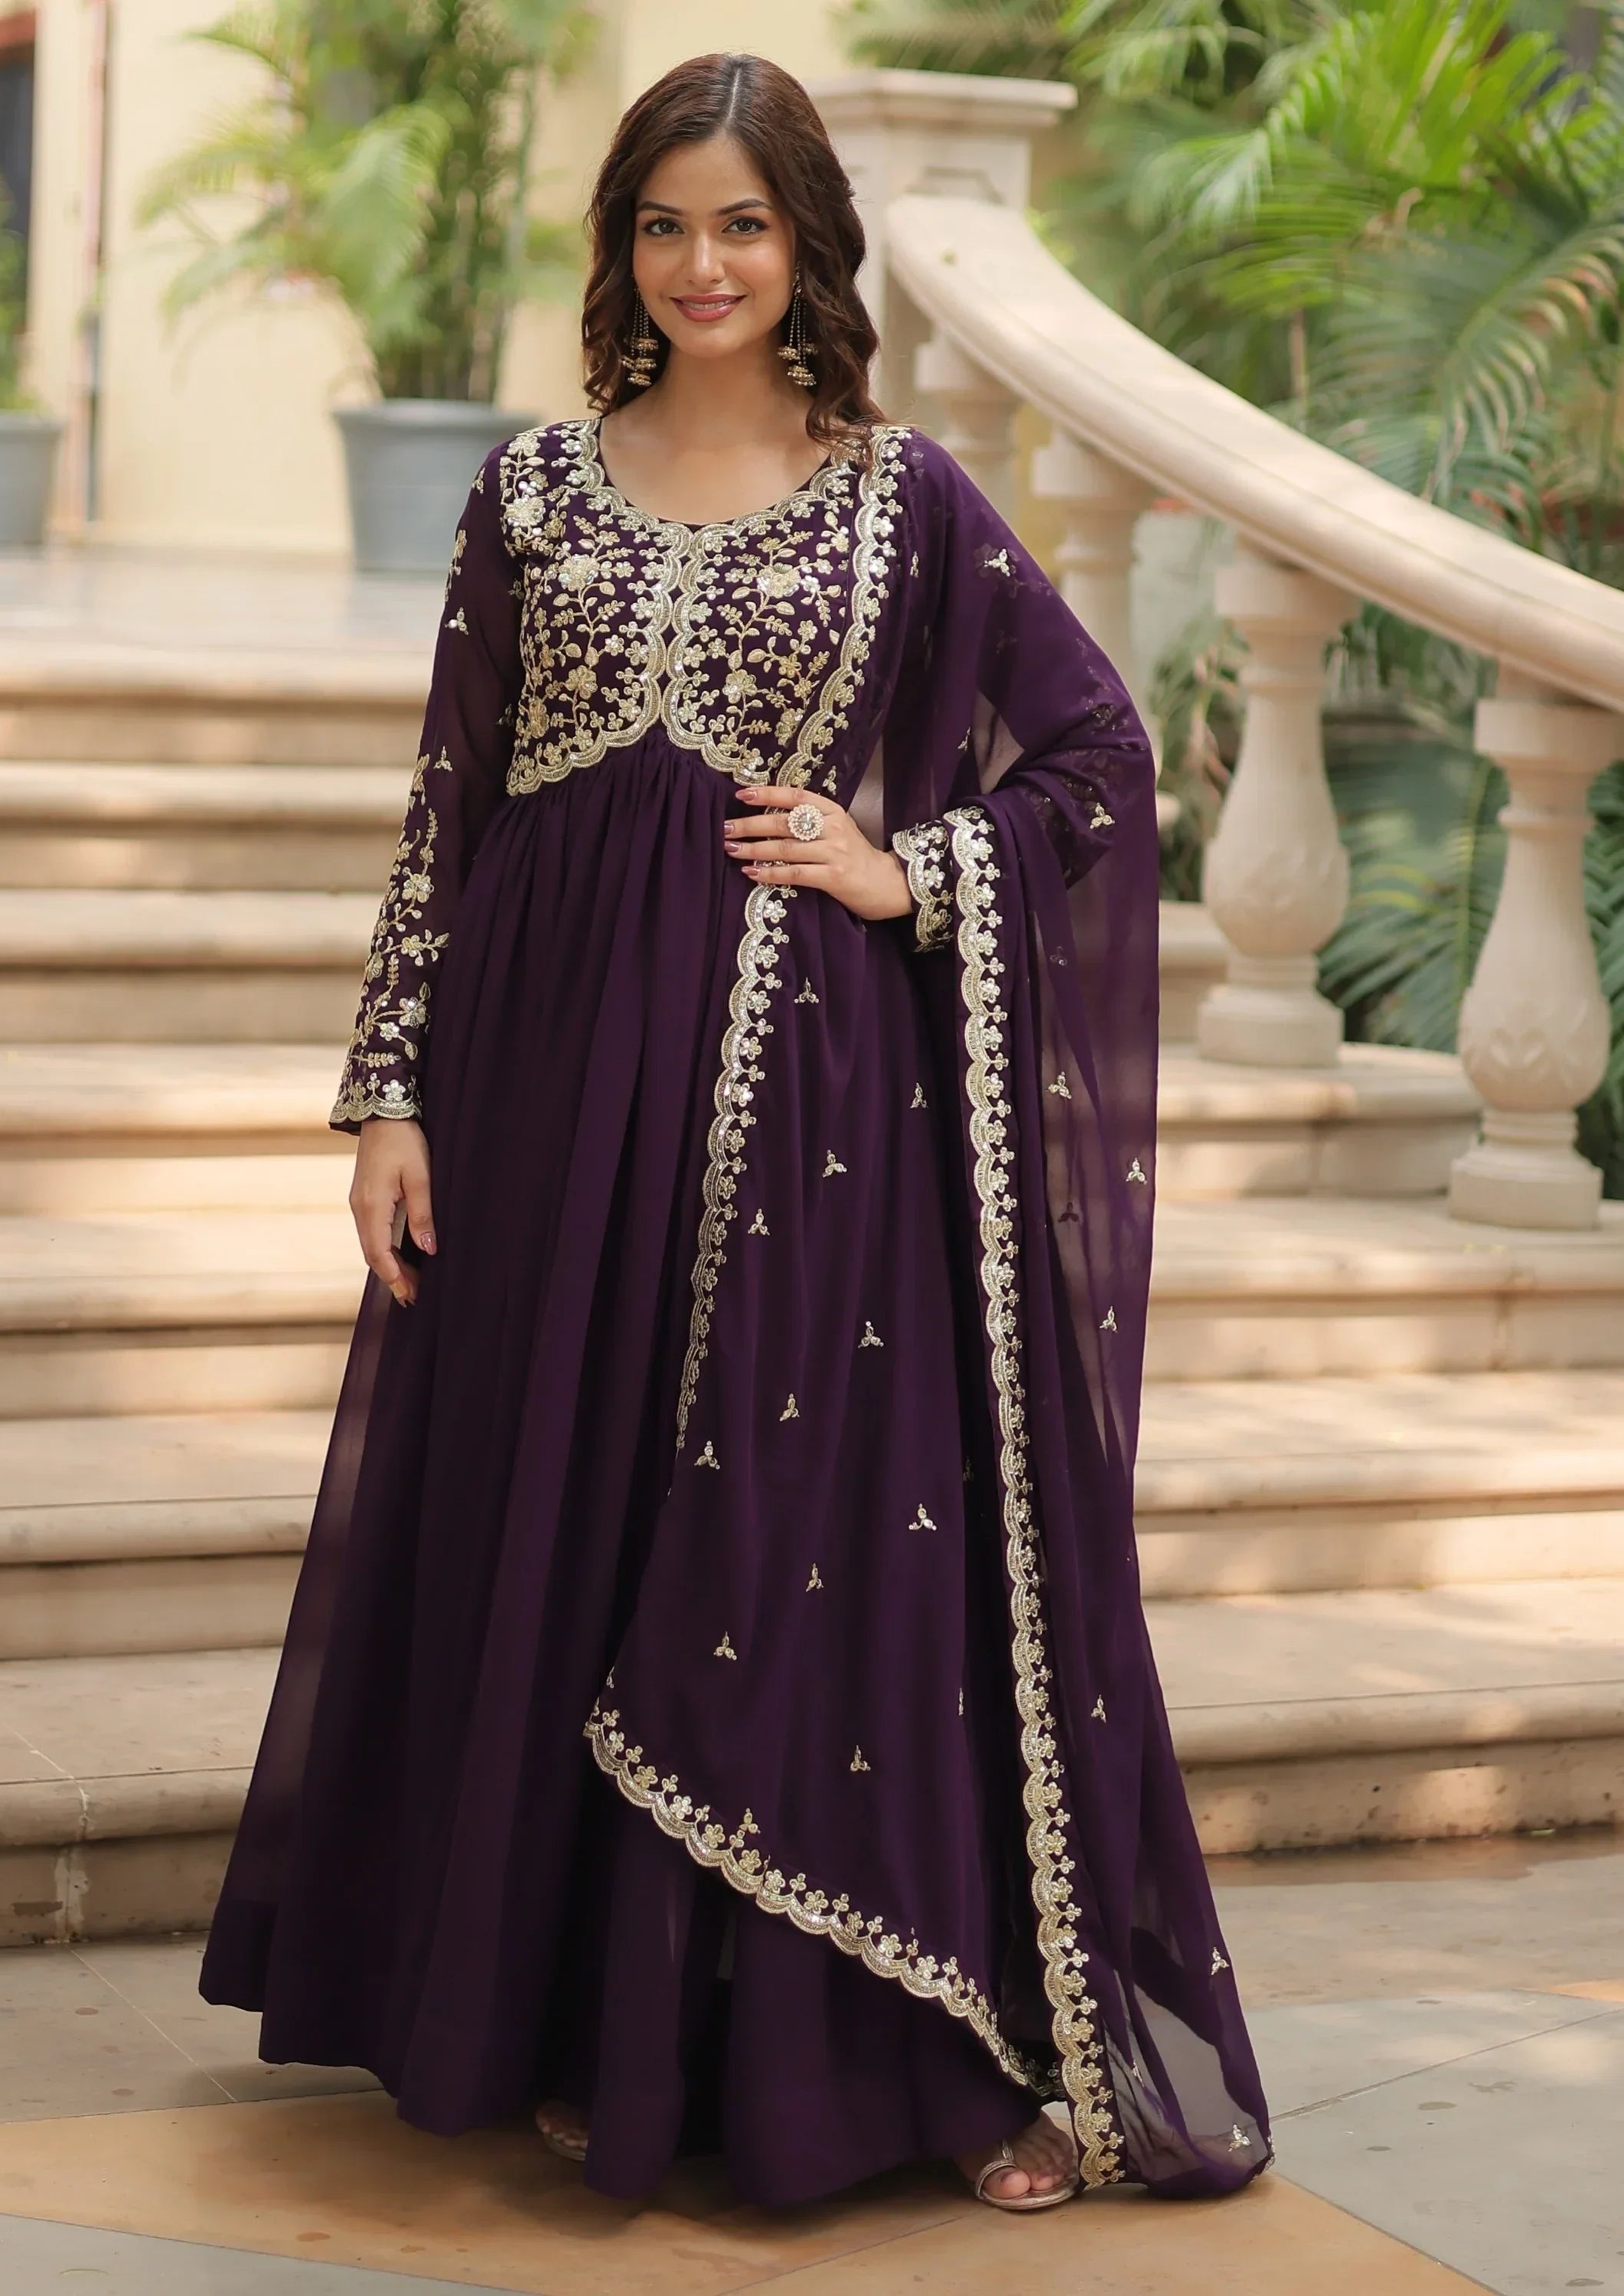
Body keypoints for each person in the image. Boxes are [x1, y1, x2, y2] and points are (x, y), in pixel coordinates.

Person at [201, 49, 1270, 2216]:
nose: (702, 265)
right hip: (533, 1091)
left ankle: (843, 2060)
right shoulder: (525, 491)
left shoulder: (907, 499)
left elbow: (1096, 756)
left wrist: (910, 872)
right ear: (621, 246)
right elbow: (448, 811)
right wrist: (389, 1091)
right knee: (555, 1522)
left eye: (743, 225)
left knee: (783, 1563)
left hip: (807, 1128)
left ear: (807, 252)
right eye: (667, 224)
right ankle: (575, 2026)